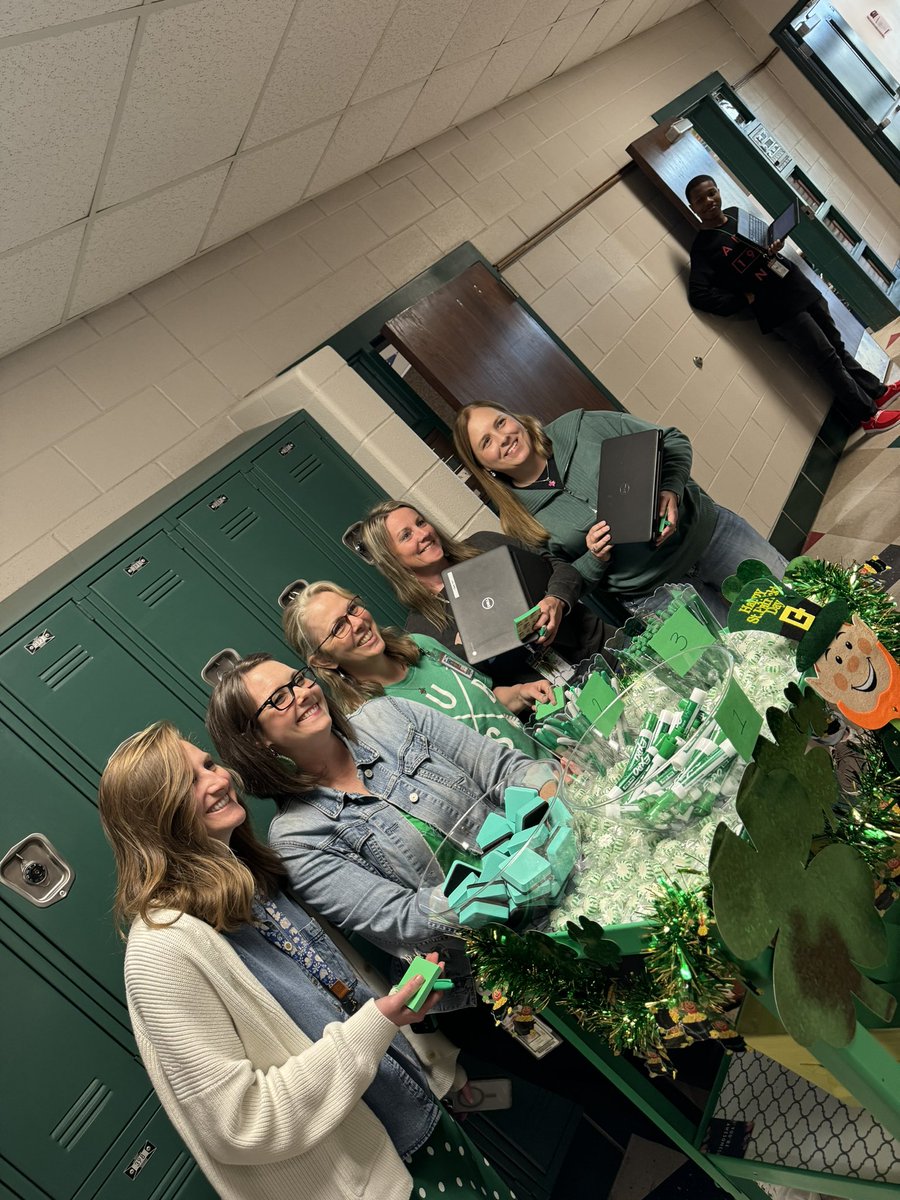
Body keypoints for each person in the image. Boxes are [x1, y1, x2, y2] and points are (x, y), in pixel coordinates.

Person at [98, 721, 515, 1200]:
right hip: (373, 1182)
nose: (218, 780)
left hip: (420, 1122)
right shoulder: (161, 950)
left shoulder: (250, 884)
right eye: (187, 782)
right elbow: (241, 1122)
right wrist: (377, 1022)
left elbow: (343, 994)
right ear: (154, 816)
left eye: (209, 765)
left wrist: (425, 1053)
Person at [205, 655, 557, 1016]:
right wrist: (504, 885)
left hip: (560, 882)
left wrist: (549, 795)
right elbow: (402, 918)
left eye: (299, 680)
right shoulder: (297, 840)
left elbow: (502, 769)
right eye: (279, 698)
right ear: (258, 739)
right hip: (505, 967)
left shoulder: (390, 715)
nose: (303, 693)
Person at [451, 402, 786, 625]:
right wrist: (594, 556)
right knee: (748, 666)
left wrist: (670, 488)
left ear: (514, 417)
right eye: (487, 442)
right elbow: (566, 579)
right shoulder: (517, 519)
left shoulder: (581, 427)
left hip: (712, 537)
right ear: (483, 465)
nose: (503, 438)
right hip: (662, 599)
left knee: (800, 610)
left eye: (500, 422)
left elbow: (672, 441)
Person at [685, 174, 900, 434]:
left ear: (718, 191)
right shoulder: (702, 249)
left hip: (794, 284)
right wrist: (743, 299)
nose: (709, 201)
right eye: (700, 199)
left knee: (836, 344)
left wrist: (775, 243)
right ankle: (868, 416)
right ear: (692, 207)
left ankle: (876, 392)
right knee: (826, 358)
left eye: (711, 193)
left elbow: (763, 239)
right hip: (777, 308)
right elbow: (699, 295)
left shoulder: (734, 213)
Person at [353, 499, 617, 685]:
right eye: (406, 535)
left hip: (604, 648)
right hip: (561, 703)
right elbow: (474, 690)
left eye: (421, 522)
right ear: (392, 559)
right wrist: (465, 652)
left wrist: (555, 599)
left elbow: (558, 566)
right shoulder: (422, 631)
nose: (423, 534)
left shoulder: (484, 544)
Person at [282, 580, 549, 757]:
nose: (357, 623)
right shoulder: (373, 720)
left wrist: (521, 693)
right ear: (324, 661)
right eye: (338, 627)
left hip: (550, 763)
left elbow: (485, 702)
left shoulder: (422, 646)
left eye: (352, 608)